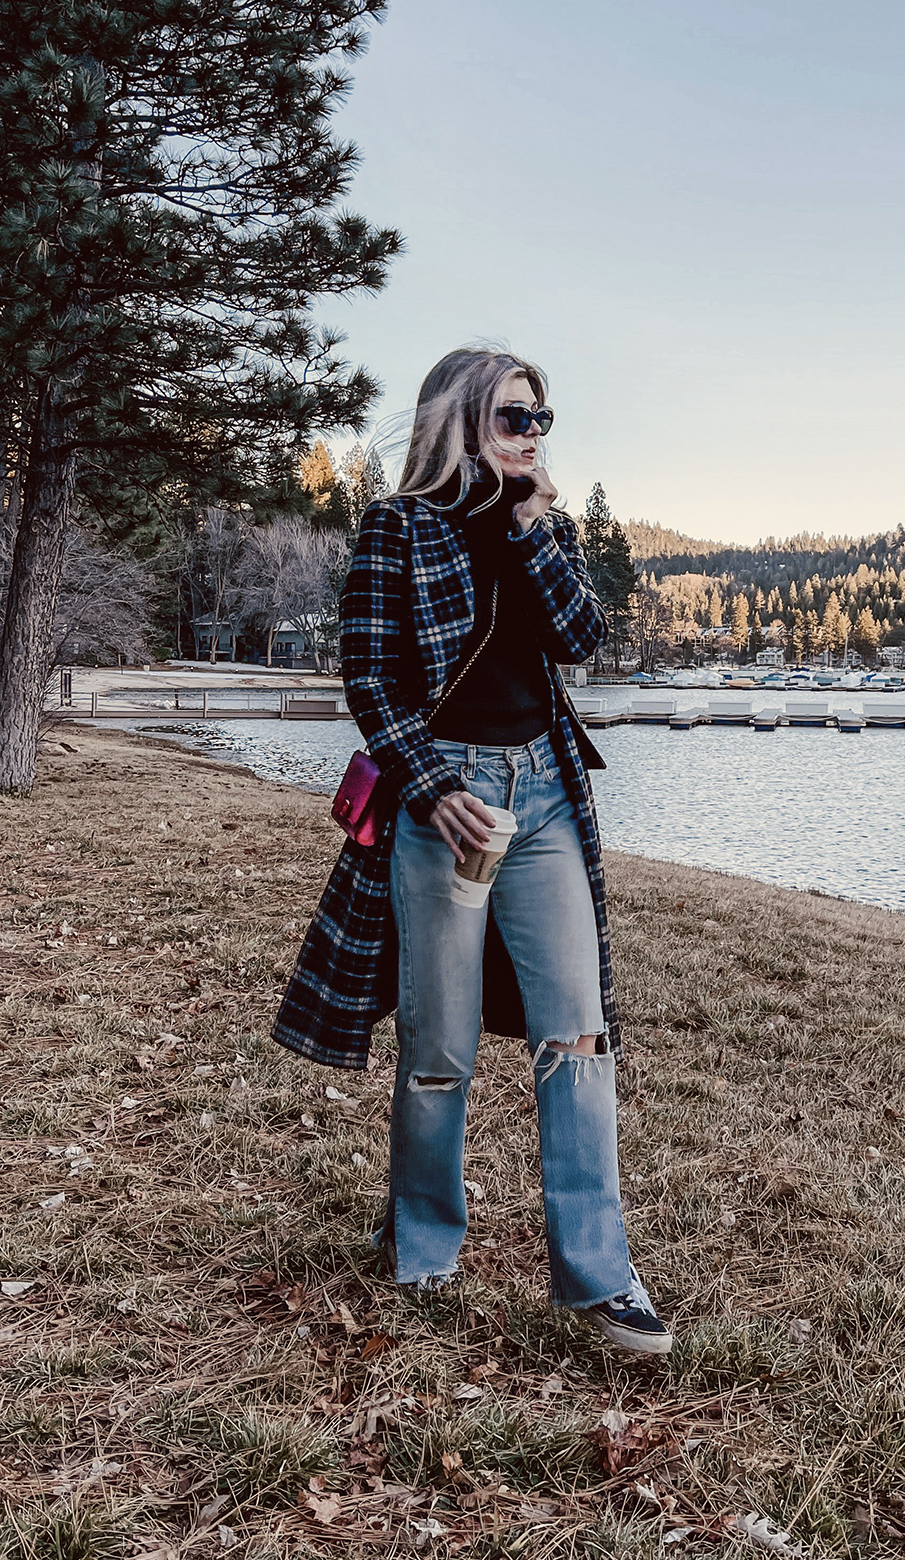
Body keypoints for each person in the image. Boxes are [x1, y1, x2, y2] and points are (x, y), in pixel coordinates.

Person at [273, 347, 671, 1356]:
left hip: (543, 796)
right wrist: (433, 787)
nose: (531, 436)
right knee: (439, 1046)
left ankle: (596, 1276)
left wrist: (535, 531)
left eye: (541, 419)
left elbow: (582, 639)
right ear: (458, 419)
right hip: (445, 802)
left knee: (578, 1036)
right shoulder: (398, 527)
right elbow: (368, 679)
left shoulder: (546, 527)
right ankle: (423, 1243)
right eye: (512, 417)